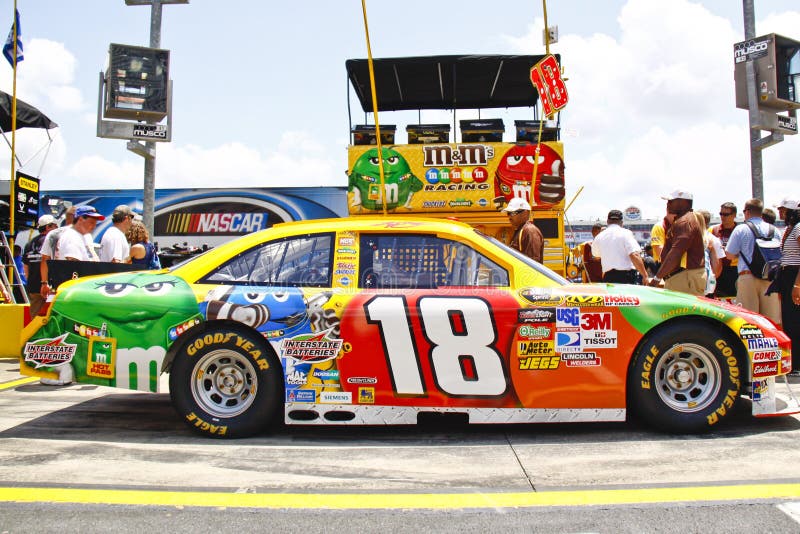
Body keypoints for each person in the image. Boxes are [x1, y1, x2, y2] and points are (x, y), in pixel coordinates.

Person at [724, 198, 781, 325]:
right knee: (771, 322)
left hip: (747, 276)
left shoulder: (741, 229)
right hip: (770, 278)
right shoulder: (774, 230)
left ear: (747, 212)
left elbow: (729, 255)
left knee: (748, 321)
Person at [649, 190, 706, 296]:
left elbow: (676, 252)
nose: (668, 204)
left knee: (683, 312)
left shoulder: (685, 222)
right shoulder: (684, 220)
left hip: (684, 277)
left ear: (683, 202)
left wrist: (657, 278)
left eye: (671, 201)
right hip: (682, 276)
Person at [774, 197, 800, 374]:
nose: (780, 213)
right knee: (789, 321)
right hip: (787, 275)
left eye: (783, 210)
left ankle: (797, 364)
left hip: (795, 275)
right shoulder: (791, 229)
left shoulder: (798, 228)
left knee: (794, 321)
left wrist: (797, 285)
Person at [590, 209, 649, 284]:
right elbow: (634, 255)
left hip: (608, 278)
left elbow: (595, 254)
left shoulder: (600, 236)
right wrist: (645, 275)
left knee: (612, 296)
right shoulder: (626, 233)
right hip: (626, 278)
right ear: (621, 222)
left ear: (607, 221)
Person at [22, 214, 58, 316]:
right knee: (50, 318)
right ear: (48, 227)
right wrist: (44, 283)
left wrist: (32, 281)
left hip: (33, 287)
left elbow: (26, 266)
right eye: (55, 226)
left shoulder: (29, 244)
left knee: (35, 320)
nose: (57, 229)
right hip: (49, 287)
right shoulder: (51, 241)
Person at [39, 205, 76, 299]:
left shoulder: (53, 234)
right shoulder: (82, 234)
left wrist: (44, 283)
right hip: (77, 282)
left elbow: (44, 259)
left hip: (58, 282)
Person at [501, 197, 544, 263]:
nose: (509, 217)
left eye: (512, 213)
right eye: (508, 213)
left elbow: (532, 263)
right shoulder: (521, 230)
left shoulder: (530, 231)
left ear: (525, 213)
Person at [711, 201, 739, 298]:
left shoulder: (740, 230)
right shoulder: (713, 230)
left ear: (734, 215)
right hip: (718, 270)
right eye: (721, 214)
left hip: (735, 271)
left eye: (726, 214)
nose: (723, 217)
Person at [695, 210, 721, 298]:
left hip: (699, 286)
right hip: (706, 285)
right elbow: (717, 270)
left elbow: (717, 269)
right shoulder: (714, 240)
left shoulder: (712, 240)